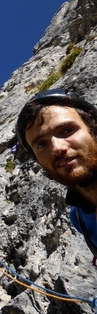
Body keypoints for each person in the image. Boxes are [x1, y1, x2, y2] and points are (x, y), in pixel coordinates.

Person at [16, 88, 97, 261]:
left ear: (93, 132)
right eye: (41, 144)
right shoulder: (78, 217)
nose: (57, 148)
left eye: (67, 130)